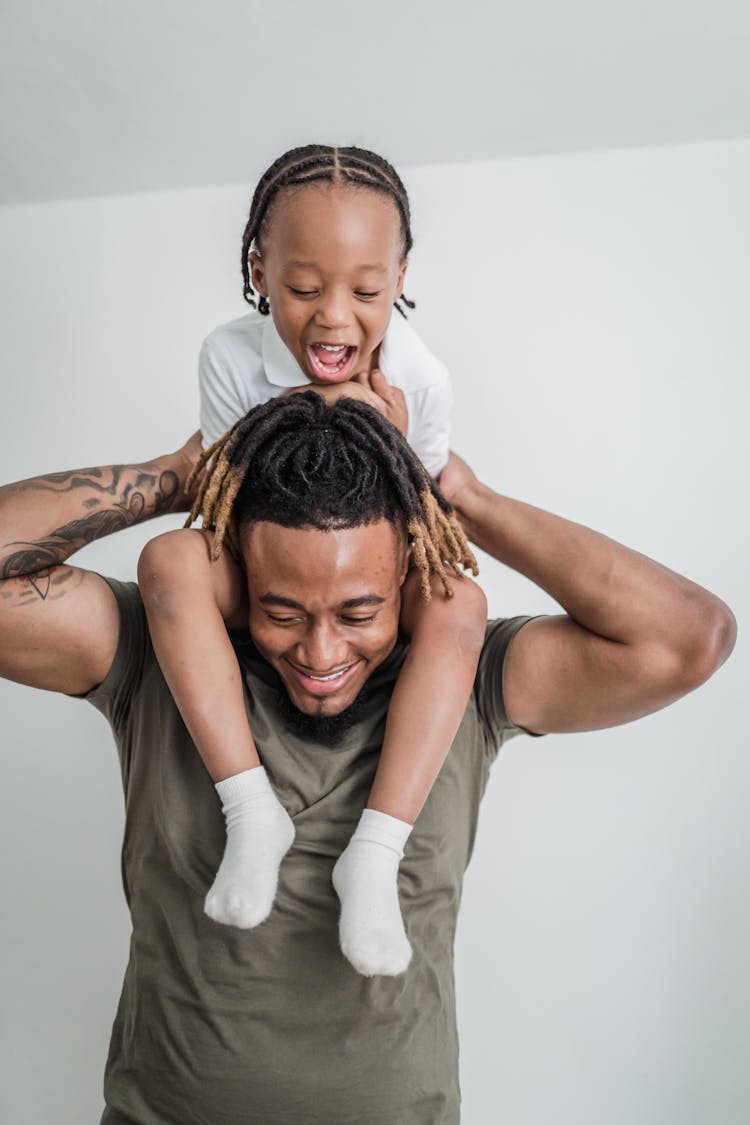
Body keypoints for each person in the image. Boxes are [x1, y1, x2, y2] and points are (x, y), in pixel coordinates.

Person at [0, 392, 735, 1124]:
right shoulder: (157, 652)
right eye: (282, 611)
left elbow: (688, 638)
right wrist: (179, 475)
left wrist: (461, 499)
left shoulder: (466, 679)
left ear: (411, 576)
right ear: (235, 578)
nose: (321, 654)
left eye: (359, 613)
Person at [137, 143, 486, 978]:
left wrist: (393, 446)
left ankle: (375, 850)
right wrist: (320, 405)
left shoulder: (422, 376)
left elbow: (417, 530)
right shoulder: (228, 357)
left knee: (461, 605)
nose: (334, 318)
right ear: (258, 271)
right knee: (169, 561)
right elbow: (224, 501)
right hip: (268, 568)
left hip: (361, 575)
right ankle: (251, 808)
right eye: (302, 289)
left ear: (401, 275)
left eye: (366, 291)